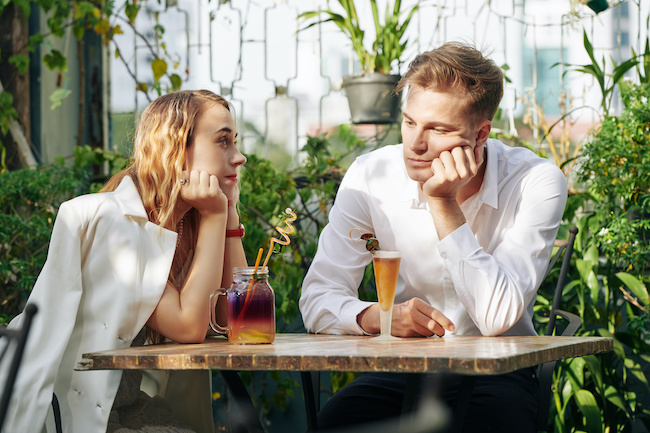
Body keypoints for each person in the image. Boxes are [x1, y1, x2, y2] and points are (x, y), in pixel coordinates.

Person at [299, 42, 568, 432]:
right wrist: (382, 317)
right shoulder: (370, 175)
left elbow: (496, 318)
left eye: (438, 129)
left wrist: (442, 201)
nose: (416, 144)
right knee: (333, 425)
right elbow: (317, 297)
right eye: (409, 122)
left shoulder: (535, 182)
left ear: (481, 135)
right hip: (402, 369)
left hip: (496, 372)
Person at [0, 90, 248, 432]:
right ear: (177, 148)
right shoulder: (114, 223)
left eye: (235, 142)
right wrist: (216, 215)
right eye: (223, 141)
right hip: (63, 410)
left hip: (127, 405)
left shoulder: (191, 222)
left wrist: (229, 214)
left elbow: (239, 322)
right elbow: (189, 326)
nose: (240, 157)